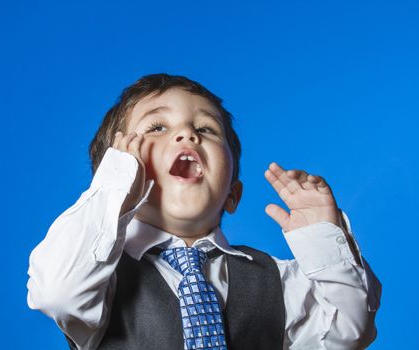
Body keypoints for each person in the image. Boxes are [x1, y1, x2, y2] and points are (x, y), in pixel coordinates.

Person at [26, 73, 381, 350]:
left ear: (232, 194)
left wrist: (322, 235)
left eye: (206, 129)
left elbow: (347, 333)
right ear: (117, 169)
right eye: (157, 127)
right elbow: (56, 292)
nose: (186, 134)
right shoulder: (98, 276)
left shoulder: (276, 278)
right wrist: (113, 190)